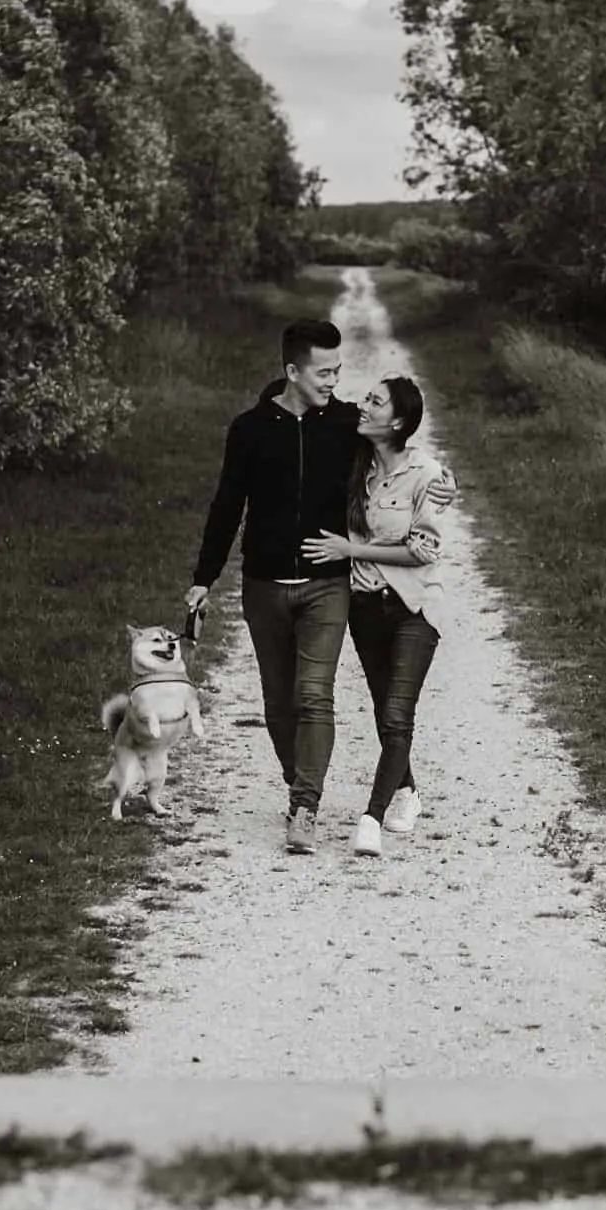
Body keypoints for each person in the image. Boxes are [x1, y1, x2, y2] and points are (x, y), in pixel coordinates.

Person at [187, 320, 455, 853]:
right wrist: (203, 579)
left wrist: (444, 483)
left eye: (338, 371)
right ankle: (300, 782)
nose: (335, 382)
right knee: (278, 706)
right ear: (293, 371)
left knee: (314, 696)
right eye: (324, 372)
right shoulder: (249, 430)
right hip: (263, 585)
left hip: (327, 587)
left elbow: (399, 448)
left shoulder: (344, 423)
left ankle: (304, 807)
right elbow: (226, 506)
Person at [301, 375, 446, 858]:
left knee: (398, 714)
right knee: (387, 712)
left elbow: (424, 550)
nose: (364, 405)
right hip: (364, 608)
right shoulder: (356, 465)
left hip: (413, 608)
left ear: (398, 421)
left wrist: (353, 550)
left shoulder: (426, 474)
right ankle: (408, 790)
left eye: (376, 401)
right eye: (366, 398)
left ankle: (371, 818)